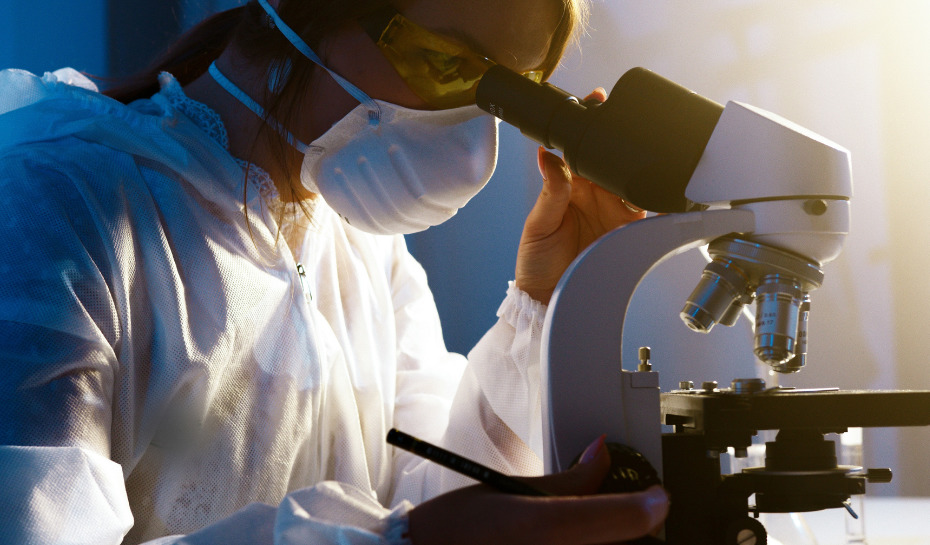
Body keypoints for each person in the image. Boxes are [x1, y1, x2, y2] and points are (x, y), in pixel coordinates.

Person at [0, 0, 667, 543]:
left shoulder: (363, 247)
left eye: (506, 99)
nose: (471, 135)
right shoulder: (52, 209)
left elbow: (441, 498)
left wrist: (540, 301)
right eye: (446, 63)